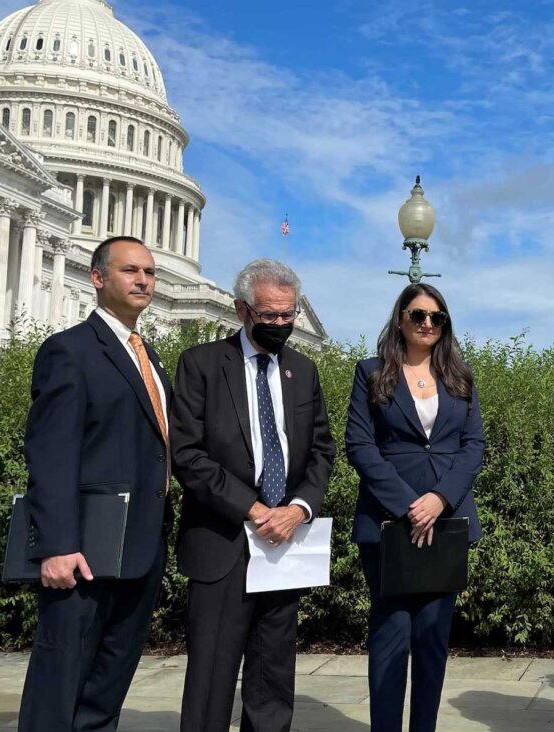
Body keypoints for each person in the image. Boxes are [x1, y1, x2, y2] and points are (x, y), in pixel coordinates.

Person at [171, 258, 335, 731]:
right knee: (211, 677)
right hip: (222, 539)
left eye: (289, 316)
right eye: (270, 316)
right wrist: (254, 507)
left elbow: (322, 450)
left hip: (284, 544)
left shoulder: (302, 371)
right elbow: (188, 454)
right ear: (242, 309)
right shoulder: (201, 364)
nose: (281, 325)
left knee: (273, 675)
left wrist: (298, 509)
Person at [16, 236, 171, 731]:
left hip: (139, 547)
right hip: (84, 550)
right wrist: (57, 545)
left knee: (108, 682)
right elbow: (51, 453)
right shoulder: (70, 351)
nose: (143, 280)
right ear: (98, 278)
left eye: (149, 271)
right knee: (61, 681)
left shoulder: (150, 359)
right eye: (130, 271)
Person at [345, 283, 485, 732]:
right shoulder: (371, 373)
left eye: (436, 318)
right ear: (401, 319)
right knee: (390, 637)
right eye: (418, 315)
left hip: (447, 523)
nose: (427, 324)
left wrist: (439, 499)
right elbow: (360, 445)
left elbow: (473, 445)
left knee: (432, 640)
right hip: (389, 523)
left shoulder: (460, 378)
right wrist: (409, 504)